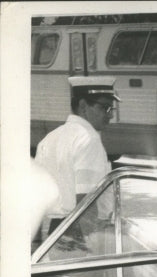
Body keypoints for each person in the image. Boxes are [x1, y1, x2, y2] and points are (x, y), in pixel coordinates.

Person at [34, 76, 119, 238]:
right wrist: (93, 243)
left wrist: (36, 242)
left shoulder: (50, 138)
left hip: (56, 232)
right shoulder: (88, 139)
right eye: (105, 108)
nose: (110, 116)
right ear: (83, 106)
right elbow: (86, 201)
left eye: (111, 109)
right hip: (82, 231)